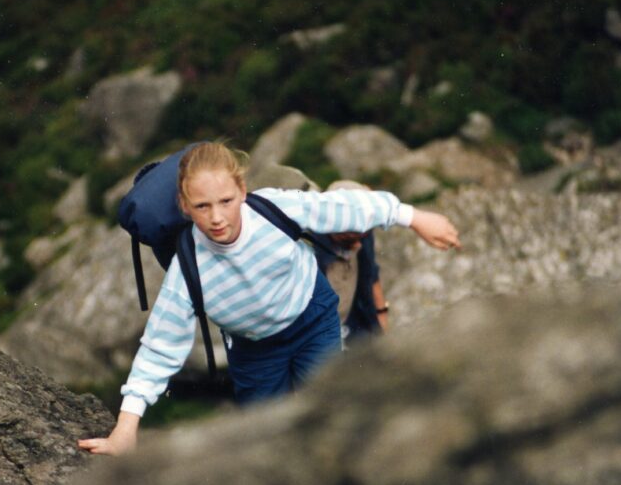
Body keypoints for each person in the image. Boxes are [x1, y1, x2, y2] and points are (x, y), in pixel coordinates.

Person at [78, 142, 461, 456]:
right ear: (184, 206)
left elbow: (345, 207)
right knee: (264, 441)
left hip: (314, 320)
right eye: (202, 206)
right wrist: (126, 427)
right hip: (255, 350)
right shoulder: (188, 267)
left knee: (329, 413)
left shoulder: (273, 208)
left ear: (243, 192)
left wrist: (414, 217)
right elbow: (160, 347)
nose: (216, 218)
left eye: (226, 201)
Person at [314, 180, 390, 343]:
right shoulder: (311, 251)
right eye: (349, 236)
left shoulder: (364, 228)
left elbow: (371, 273)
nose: (358, 244)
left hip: (356, 321)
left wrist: (381, 315)